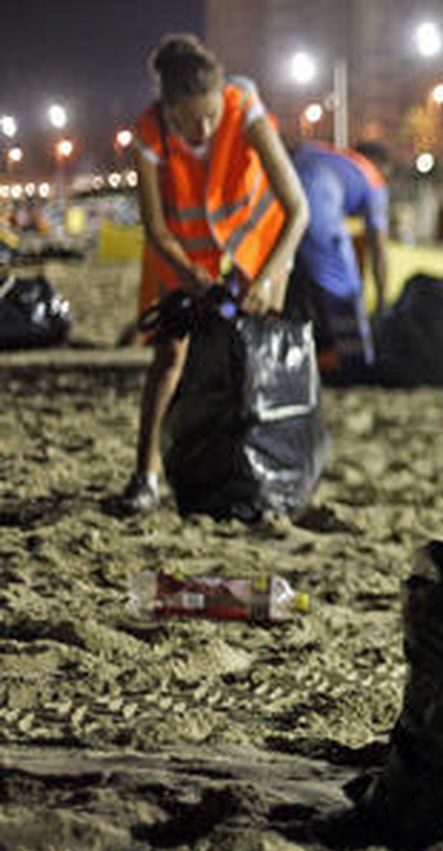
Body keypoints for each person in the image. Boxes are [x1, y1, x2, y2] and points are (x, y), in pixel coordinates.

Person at [114, 34, 308, 515]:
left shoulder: (244, 109)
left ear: (222, 96)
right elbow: (155, 228)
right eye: (189, 119)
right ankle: (146, 476)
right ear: (169, 109)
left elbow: (297, 210)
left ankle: (265, 470)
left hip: (258, 248)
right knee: (169, 358)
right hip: (183, 253)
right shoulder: (150, 131)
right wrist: (191, 277)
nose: (202, 129)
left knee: (260, 356)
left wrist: (267, 277)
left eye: (211, 115)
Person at [285, 138, 390, 378]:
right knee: (344, 286)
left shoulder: (327, 154)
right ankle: (355, 362)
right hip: (317, 208)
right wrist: (382, 301)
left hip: (280, 199)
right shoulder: (372, 177)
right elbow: (378, 247)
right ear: (381, 166)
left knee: (293, 281)